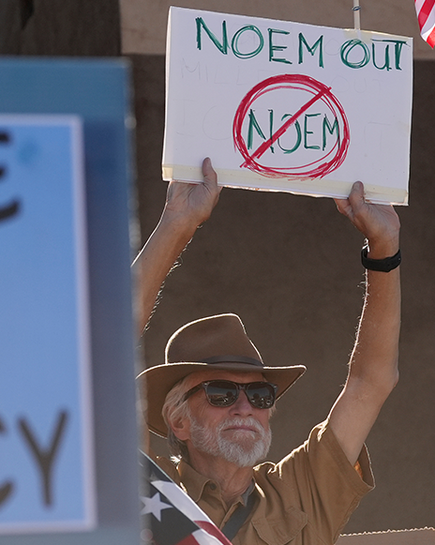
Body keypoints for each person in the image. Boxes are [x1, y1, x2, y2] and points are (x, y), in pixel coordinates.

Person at [133, 158, 401, 544]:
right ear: (178, 422)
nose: (245, 408)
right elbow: (103, 348)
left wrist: (384, 249)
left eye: (260, 395)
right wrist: (177, 223)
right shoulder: (146, 488)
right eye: (221, 393)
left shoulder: (301, 491)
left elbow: (370, 382)